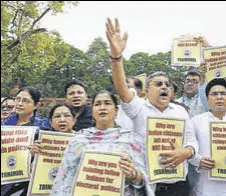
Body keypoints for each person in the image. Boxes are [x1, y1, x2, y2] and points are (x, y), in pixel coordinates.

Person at [105, 18, 198, 196]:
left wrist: (186, 152)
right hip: (148, 185)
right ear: (147, 91)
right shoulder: (138, 108)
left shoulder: (180, 111)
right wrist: (116, 58)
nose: (164, 87)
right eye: (158, 84)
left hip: (179, 185)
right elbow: (123, 90)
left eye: (167, 84)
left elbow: (192, 141)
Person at [52, 90, 154, 195]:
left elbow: (146, 179)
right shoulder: (78, 139)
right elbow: (65, 177)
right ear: (92, 111)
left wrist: (133, 174)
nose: (102, 108)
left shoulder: (131, 140)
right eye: (97, 104)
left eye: (107, 103)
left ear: (116, 110)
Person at [1, 86, 51, 196]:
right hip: (4, 177)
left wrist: (35, 153)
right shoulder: (4, 123)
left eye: (25, 101)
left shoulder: (44, 126)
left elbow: (49, 156)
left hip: (27, 181)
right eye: (17, 99)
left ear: (36, 105)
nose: (19, 103)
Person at [189, 78, 226, 196]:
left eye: (223, 93)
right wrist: (198, 161)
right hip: (205, 187)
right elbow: (187, 147)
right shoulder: (196, 121)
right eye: (214, 94)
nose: (219, 97)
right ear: (207, 98)